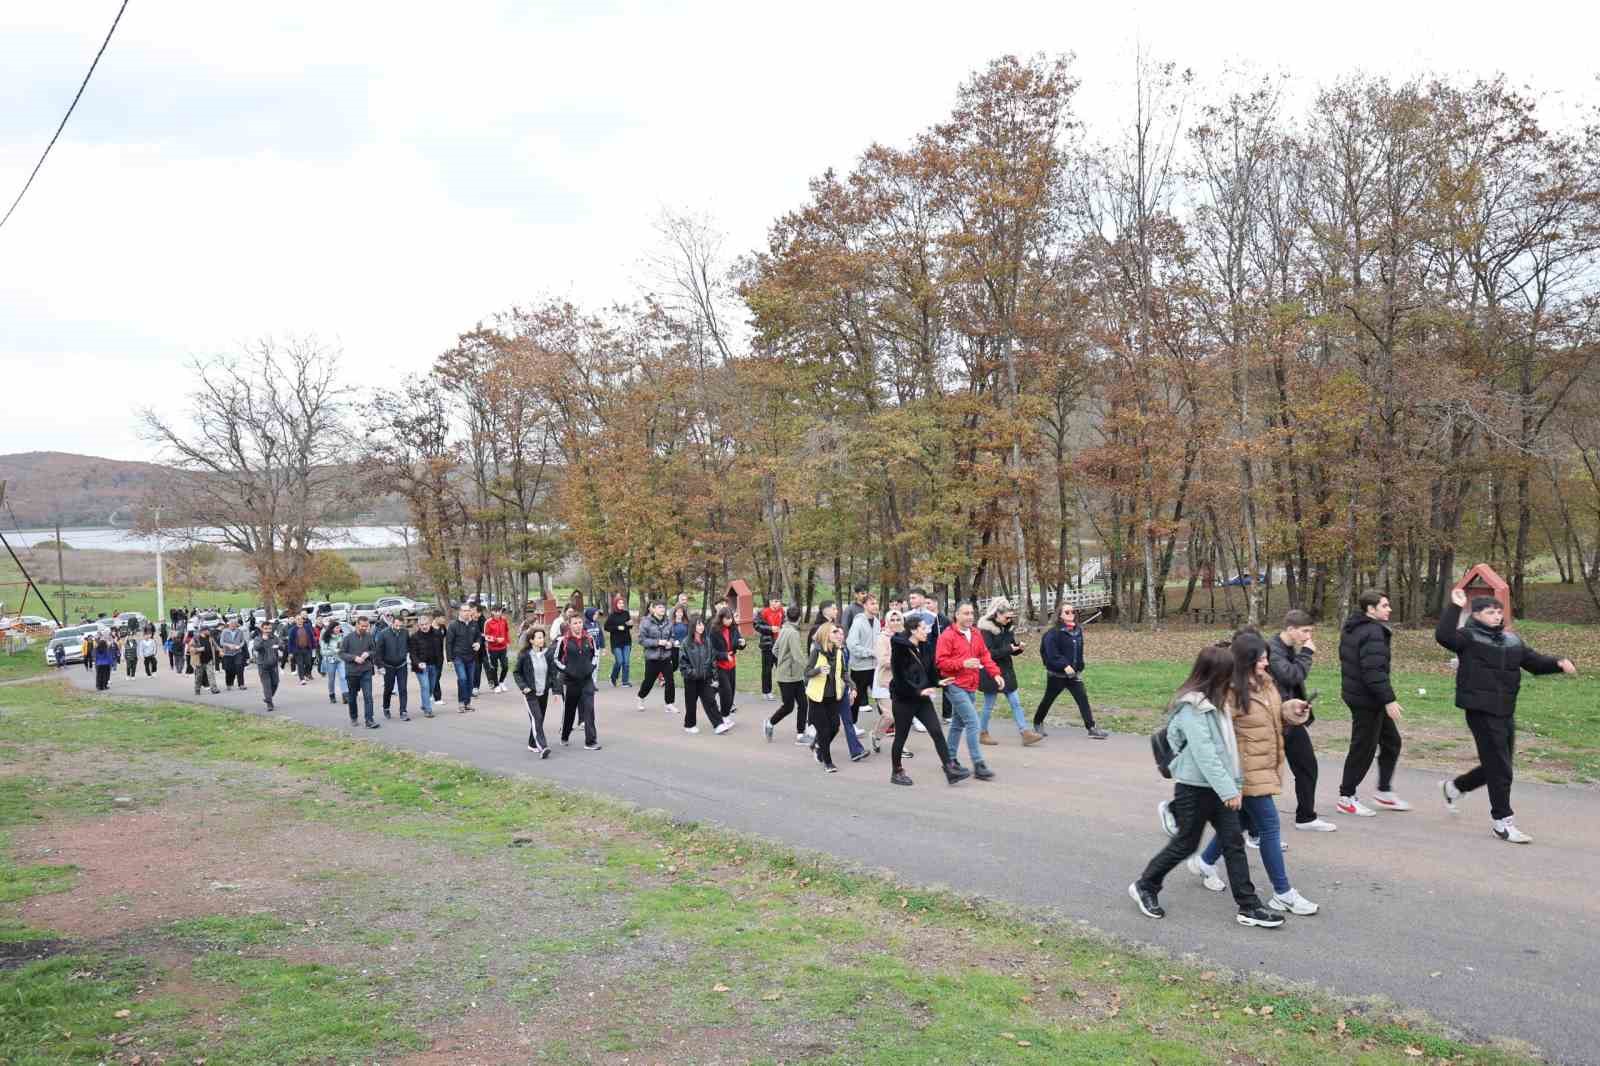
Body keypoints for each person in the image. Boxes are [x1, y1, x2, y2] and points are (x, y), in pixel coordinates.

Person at [1128, 646, 1284, 928]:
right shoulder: (1192, 707)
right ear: (1216, 674)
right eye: (1229, 673)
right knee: (1185, 843)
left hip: (1219, 787)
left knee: (1234, 843)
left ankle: (1248, 907)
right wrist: (1229, 791)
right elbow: (1206, 754)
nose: (1233, 678)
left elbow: (1229, 750)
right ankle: (1145, 885)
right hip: (1193, 788)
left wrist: (1234, 784)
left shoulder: (1220, 702)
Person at [1186, 632, 1320, 915]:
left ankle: (1205, 862)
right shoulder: (1230, 692)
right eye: (1260, 658)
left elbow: (1268, 716)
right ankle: (1283, 893)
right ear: (1246, 660)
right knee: (1270, 826)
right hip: (1245, 772)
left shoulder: (1265, 682)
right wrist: (1226, 779)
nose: (1265, 662)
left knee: (1243, 821)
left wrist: (1290, 709)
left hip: (1264, 765)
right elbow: (1219, 734)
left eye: (1266, 657)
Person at [1436, 588, 1576, 844]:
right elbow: (1444, 636)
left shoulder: (1512, 641)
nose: (1497, 616)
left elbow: (1534, 663)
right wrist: (1455, 606)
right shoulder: (1467, 638)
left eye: (1499, 612)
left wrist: (1557, 664)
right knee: (1500, 767)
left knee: (1499, 764)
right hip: (1480, 710)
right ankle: (1502, 822)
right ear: (1476, 615)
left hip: (1504, 710)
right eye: (1490, 612)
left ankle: (1455, 787)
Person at [1337, 590, 1410, 816]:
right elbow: (1373, 671)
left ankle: (1384, 791)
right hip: (1367, 699)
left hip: (1362, 695)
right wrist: (1388, 700)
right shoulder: (1373, 631)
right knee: (1363, 748)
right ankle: (1346, 797)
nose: (1389, 609)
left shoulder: (1354, 626)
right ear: (1371, 609)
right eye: (1385, 605)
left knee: (1391, 743)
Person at [1267, 610, 1334, 832]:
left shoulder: (1285, 648)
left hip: (1289, 719)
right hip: (1270, 721)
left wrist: (1299, 704)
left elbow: (1289, 683)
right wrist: (1306, 653)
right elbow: (1292, 676)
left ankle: (1306, 817)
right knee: (1257, 776)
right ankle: (1179, 810)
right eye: (1304, 631)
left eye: (1310, 632)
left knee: (1307, 766)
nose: (1308, 636)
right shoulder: (1273, 649)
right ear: (1290, 629)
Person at [888, 615, 966, 786]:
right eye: (923, 628)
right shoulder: (900, 649)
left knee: (936, 732)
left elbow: (929, 672)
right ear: (914, 630)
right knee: (901, 737)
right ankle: (897, 772)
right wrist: (918, 691)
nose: (927, 631)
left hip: (922, 699)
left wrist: (938, 682)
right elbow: (900, 679)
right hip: (904, 700)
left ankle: (950, 768)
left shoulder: (925, 646)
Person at [935, 602, 1001, 780]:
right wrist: (962, 663)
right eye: (966, 613)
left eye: (972, 613)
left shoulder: (976, 633)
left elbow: (984, 655)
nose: (970, 616)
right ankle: (978, 765)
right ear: (956, 615)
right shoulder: (947, 636)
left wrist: (995, 674)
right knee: (973, 722)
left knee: (958, 723)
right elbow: (941, 663)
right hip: (954, 684)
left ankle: (949, 760)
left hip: (971, 684)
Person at [1033, 604, 1108, 739]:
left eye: (1073, 611)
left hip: (1073, 675)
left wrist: (1079, 666)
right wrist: (1064, 665)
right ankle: (1038, 722)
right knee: (1048, 700)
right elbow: (1051, 653)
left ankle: (1091, 727)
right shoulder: (1053, 633)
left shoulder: (1077, 630)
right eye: (1067, 612)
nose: (1071, 614)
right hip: (1057, 675)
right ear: (1059, 616)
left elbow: (1079, 652)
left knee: (1082, 699)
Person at [977, 598, 1043, 747]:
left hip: (1006, 670)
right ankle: (982, 732)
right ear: (996, 614)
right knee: (989, 704)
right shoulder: (985, 630)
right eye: (1006, 617)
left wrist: (1018, 648)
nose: (1009, 620)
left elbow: (1010, 648)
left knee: (1016, 702)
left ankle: (1025, 733)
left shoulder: (1008, 627)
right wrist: (1009, 649)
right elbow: (988, 653)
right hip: (991, 671)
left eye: (1010, 617)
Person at [805, 622, 850, 773]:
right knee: (824, 730)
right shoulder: (816, 651)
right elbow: (807, 672)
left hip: (832, 696)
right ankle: (827, 761)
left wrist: (853, 687)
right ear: (826, 635)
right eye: (834, 632)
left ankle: (818, 745)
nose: (838, 634)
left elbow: (844, 672)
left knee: (835, 727)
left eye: (838, 632)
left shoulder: (838, 652)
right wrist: (818, 670)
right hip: (817, 697)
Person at [553, 616, 601, 749]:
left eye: (580, 623)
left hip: (587, 680)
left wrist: (591, 667)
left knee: (589, 709)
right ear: (570, 625)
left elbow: (595, 654)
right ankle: (565, 735)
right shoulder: (563, 641)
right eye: (575, 623)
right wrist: (567, 670)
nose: (578, 625)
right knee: (570, 710)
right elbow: (556, 659)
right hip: (571, 681)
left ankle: (590, 741)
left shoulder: (589, 639)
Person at [765, 606, 810, 744]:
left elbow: (775, 649)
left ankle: (800, 734)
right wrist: (810, 669)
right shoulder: (792, 633)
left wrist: (784, 661)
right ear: (800, 618)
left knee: (803, 703)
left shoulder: (783, 629)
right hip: (788, 677)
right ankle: (770, 723)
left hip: (792, 675)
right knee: (789, 706)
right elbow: (797, 655)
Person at [678, 616, 731, 735]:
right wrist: (693, 673)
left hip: (705, 678)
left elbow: (712, 661)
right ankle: (689, 724)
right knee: (691, 702)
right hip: (691, 679)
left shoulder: (707, 641)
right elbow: (683, 664)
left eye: (702, 624)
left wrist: (715, 677)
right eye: (698, 625)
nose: (701, 627)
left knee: (710, 700)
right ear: (693, 627)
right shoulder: (686, 643)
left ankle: (719, 724)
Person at [514, 626, 557, 757]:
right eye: (538, 637)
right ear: (531, 640)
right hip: (530, 693)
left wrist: (555, 690)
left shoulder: (548, 653)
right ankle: (543, 747)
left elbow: (552, 673)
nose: (541, 640)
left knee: (539, 719)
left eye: (542, 637)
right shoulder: (524, 655)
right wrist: (523, 687)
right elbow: (517, 673)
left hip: (543, 692)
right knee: (537, 718)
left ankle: (532, 744)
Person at [867, 607, 904, 753]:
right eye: (892, 620)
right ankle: (875, 735)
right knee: (889, 716)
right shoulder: (882, 638)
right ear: (887, 622)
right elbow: (883, 661)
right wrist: (902, 661)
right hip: (885, 681)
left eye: (898, 619)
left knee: (901, 716)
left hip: (902, 682)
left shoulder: (905, 636)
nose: (895, 622)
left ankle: (900, 746)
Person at [846, 594, 882, 727]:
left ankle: (888, 724)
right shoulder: (858, 622)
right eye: (872, 603)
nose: (875, 606)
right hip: (860, 668)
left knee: (881, 695)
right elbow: (852, 645)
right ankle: (851, 724)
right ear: (865, 606)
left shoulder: (877, 622)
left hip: (875, 667)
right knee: (856, 698)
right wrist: (871, 653)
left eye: (876, 603)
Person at [636, 601, 677, 712]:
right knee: (649, 682)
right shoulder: (646, 622)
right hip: (652, 658)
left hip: (666, 657)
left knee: (670, 681)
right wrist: (658, 642)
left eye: (663, 607)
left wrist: (670, 643)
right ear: (653, 609)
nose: (662, 609)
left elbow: (672, 636)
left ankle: (669, 703)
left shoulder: (668, 622)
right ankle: (641, 697)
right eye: (659, 607)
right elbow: (641, 640)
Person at [340, 615, 380, 728]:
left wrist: (368, 653)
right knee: (352, 696)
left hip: (366, 670)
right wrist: (354, 658)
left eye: (366, 626)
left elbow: (374, 650)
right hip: (352, 672)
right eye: (362, 626)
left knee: (368, 696)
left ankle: (369, 720)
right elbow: (341, 653)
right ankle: (353, 717)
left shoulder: (369, 636)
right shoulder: (348, 638)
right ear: (357, 624)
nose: (364, 628)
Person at [709, 607, 746, 722]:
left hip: (732, 664)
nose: (730, 621)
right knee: (726, 692)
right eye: (727, 619)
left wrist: (743, 644)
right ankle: (724, 715)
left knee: (732, 690)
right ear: (721, 619)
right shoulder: (714, 631)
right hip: (720, 665)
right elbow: (711, 651)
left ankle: (725, 714)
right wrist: (724, 655)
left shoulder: (734, 628)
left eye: (731, 618)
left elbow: (738, 643)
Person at [445, 604, 480, 713]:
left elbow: (478, 636)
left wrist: (478, 643)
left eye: (468, 610)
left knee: (470, 680)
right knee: (463, 679)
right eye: (464, 611)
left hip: (471, 657)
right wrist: (449, 659)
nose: (466, 613)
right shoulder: (453, 625)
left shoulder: (474, 624)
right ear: (459, 612)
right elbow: (448, 643)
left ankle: (467, 703)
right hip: (458, 657)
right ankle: (461, 703)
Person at [409, 613, 445, 719]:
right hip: (421, 667)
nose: (424, 626)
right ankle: (428, 710)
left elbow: (440, 649)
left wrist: (441, 662)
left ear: (430, 624)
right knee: (425, 686)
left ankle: (425, 704)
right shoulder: (414, 637)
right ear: (419, 626)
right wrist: (418, 663)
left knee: (431, 687)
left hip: (434, 665)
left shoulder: (437, 633)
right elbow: (412, 653)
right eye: (421, 625)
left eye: (426, 624)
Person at [375, 612, 410, 721]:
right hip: (388, 666)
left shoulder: (405, 632)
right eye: (396, 625)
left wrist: (409, 658)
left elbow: (409, 646)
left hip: (402, 665)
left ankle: (403, 711)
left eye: (400, 625)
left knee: (403, 689)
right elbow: (378, 652)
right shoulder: (383, 634)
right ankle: (386, 708)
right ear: (392, 623)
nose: (398, 627)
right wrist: (380, 666)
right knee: (388, 689)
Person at [753, 595, 785, 702]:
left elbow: (785, 623)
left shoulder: (782, 612)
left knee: (782, 668)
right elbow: (757, 625)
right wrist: (770, 629)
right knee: (767, 670)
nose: (776, 603)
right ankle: (766, 692)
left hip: (780, 644)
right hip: (767, 645)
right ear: (770, 602)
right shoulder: (763, 612)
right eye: (774, 601)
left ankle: (785, 690)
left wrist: (783, 628)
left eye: (778, 601)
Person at [252, 620, 284, 711]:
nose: (268, 630)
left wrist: (279, 646)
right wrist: (263, 639)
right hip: (263, 665)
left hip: (273, 665)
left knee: (275, 683)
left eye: (269, 628)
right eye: (265, 629)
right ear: (262, 629)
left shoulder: (275, 638)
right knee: (267, 685)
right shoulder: (258, 638)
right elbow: (256, 647)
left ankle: (268, 698)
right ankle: (269, 703)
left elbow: (282, 646)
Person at [605, 596, 634, 688]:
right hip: (616, 642)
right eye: (619, 603)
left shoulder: (626, 613)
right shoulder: (612, 615)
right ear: (615, 604)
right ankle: (613, 676)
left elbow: (629, 625)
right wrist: (617, 628)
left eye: (622, 603)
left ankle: (625, 681)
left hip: (626, 641)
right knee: (620, 661)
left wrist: (630, 624)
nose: (621, 605)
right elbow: (606, 627)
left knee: (626, 662)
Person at [482, 606, 511, 693]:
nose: (498, 613)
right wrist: (496, 639)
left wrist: (507, 642)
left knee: (505, 666)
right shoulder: (488, 622)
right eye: (496, 611)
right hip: (493, 648)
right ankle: (496, 685)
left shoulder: (504, 620)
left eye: (499, 611)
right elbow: (485, 636)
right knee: (494, 667)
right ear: (492, 612)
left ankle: (501, 682)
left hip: (503, 647)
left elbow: (506, 631)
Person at [320, 618, 347, 705]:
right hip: (330, 661)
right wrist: (333, 651)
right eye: (336, 628)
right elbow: (323, 652)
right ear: (332, 629)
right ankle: (332, 695)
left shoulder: (341, 636)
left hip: (341, 660)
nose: (338, 629)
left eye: (339, 628)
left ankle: (345, 695)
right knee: (331, 679)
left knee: (343, 677)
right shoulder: (326, 637)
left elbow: (344, 648)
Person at [218, 617, 247, 690]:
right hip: (227, 653)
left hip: (238, 652)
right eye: (232, 624)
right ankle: (229, 684)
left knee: (239, 667)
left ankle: (241, 684)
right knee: (229, 669)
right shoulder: (224, 631)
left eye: (235, 624)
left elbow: (243, 641)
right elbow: (221, 642)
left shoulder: (240, 631)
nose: (233, 626)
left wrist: (239, 646)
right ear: (229, 625)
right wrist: (229, 645)